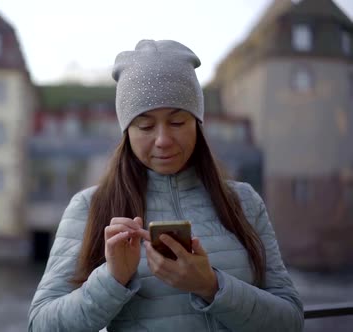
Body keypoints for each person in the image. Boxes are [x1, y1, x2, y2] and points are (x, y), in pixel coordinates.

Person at [27, 40, 304, 331]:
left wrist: (211, 286)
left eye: (177, 122)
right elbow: (40, 324)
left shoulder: (244, 201)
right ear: (127, 132)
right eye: (145, 126)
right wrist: (112, 279)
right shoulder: (91, 207)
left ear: (197, 123)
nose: (162, 139)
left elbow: (291, 320)